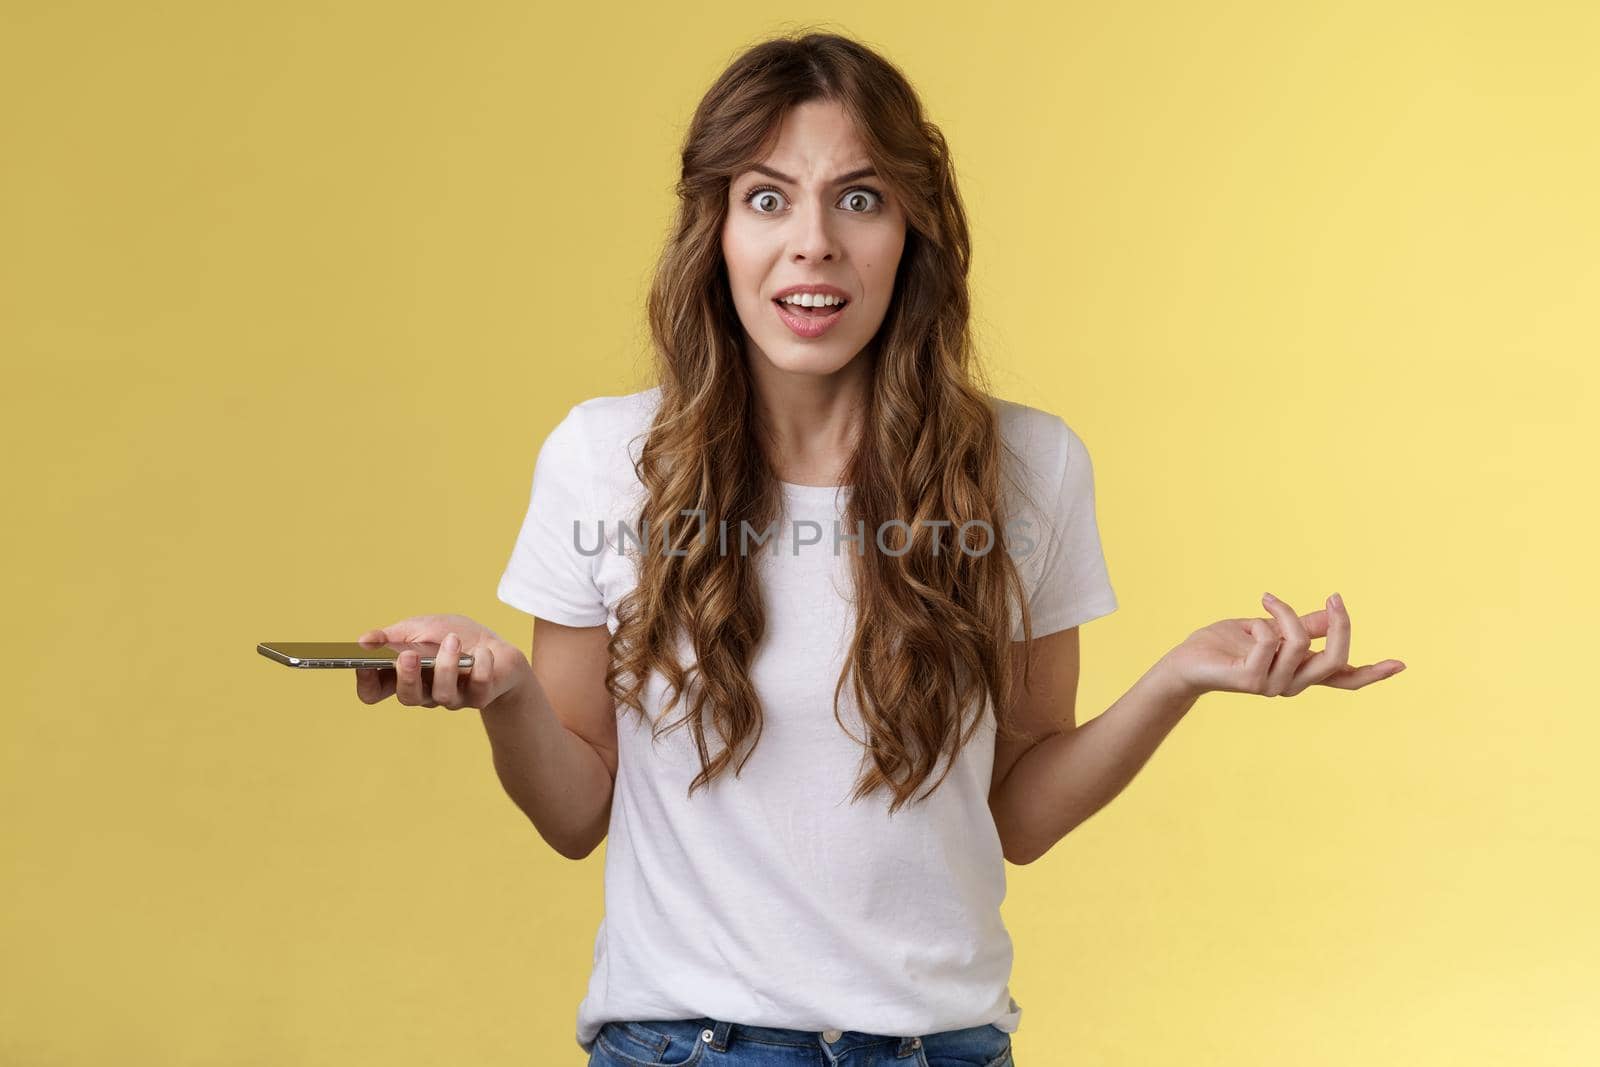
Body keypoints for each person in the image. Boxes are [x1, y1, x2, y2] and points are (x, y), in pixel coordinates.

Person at [354, 31, 1406, 1067]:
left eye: (858, 198)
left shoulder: (1028, 468)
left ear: (912, 229)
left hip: (942, 1046)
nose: (812, 242)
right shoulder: (603, 457)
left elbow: (1020, 812)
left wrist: (1176, 678)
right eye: (767, 198)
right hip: (687, 1042)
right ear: (714, 229)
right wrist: (500, 689)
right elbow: (578, 808)